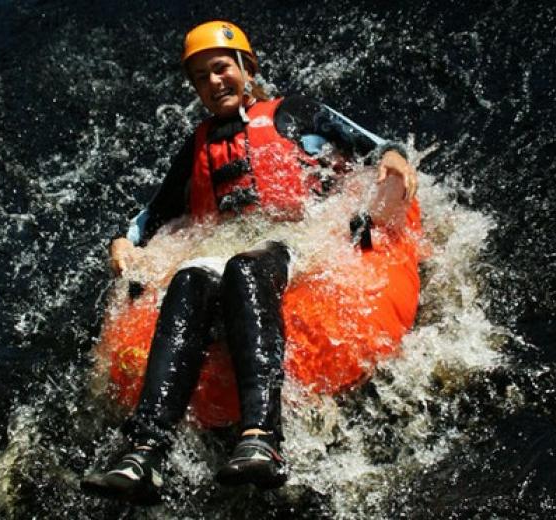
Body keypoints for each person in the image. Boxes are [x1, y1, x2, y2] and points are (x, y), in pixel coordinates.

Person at [81, 20, 417, 504]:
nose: (213, 82)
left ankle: (262, 438)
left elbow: (375, 144)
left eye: (220, 69)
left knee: (246, 267)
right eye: (200, 77)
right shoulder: (197, 146)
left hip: (300, 235)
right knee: (190, 278)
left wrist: (394, 157)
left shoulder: (295, 113)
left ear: (246, 67)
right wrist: (125, 241)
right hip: (233, 241)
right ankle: (144, 451)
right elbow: (154, 213)